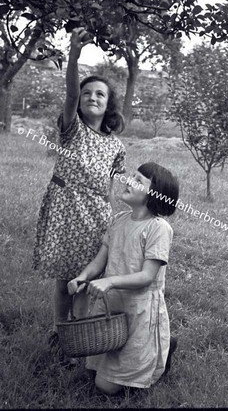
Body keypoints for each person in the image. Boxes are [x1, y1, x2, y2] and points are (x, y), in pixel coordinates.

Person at [32, 28, 126, 362]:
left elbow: (111, 186)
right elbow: (70, 95)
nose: (92, 98)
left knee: (89, 277)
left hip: (97, 215)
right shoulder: (72, 130)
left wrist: (117, 219)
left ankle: (85, 334)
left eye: (100, 94)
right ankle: (61, 332)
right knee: (64, 280)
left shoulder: (116, 145)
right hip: (66, 209)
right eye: (88, 93)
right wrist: (74, 55)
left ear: (108, 103)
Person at [68, 162, 179, 395]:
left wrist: (109, 282)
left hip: (139, 309)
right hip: (112, 304)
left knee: (105, 387)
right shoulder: (119, 220)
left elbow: (147, 276)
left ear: (155, 194)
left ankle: (163, 351)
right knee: (94, 369)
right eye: (132, 176)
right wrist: (83, 277)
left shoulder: (158, 228)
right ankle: (141, 358)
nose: (129, 181)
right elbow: (100, 261)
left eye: (139, 180)